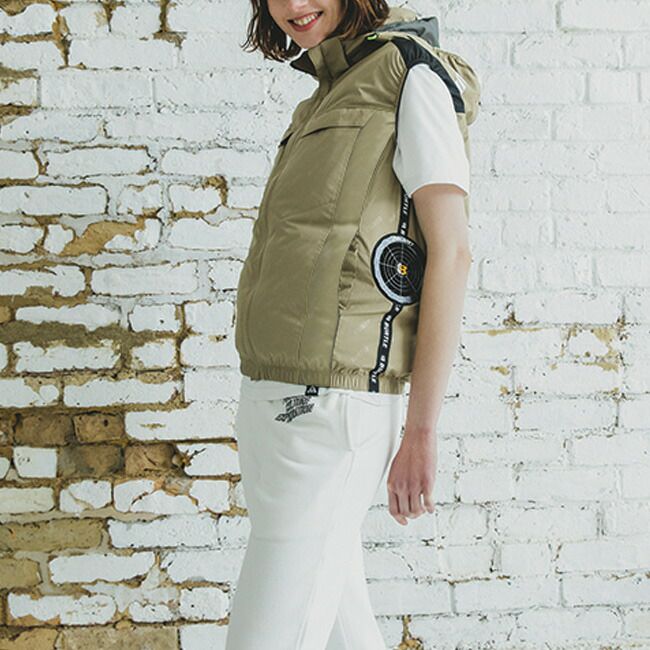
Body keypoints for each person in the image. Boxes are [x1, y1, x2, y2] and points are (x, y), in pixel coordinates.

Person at [225, 1, 480, 648]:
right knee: (342, 626)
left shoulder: (410, 74)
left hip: (333, 410)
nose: (293, 5)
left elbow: (451, 251)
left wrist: (421, 429)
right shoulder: (326, 91)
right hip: (272, 398)